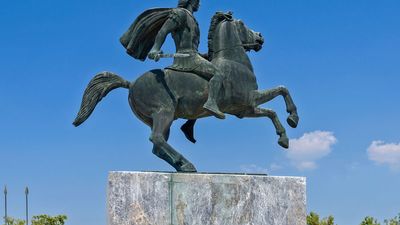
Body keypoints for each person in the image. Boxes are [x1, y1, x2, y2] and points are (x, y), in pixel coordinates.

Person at [146, 0, 226, 119]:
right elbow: (163, 31)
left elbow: (191, 45)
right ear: (192, 1)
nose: (199, 4)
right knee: (218, 74)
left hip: (193, 56)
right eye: (198, 1)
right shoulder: (180, 13)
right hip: (186, 58)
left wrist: (202, 55)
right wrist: (155, 48)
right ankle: (211, 103)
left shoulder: (192, 18)